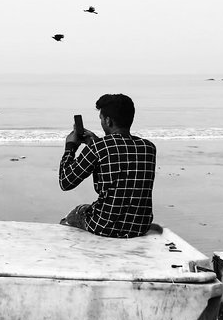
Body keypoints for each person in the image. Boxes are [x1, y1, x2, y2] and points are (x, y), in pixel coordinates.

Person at [58, 93, 156, 238]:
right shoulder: (149, 148)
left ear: (108, 121)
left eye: (101, 119)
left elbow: (65, 182)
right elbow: (120, 158)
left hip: (104, 225)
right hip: (140, 225)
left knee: (77, 212)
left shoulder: (99, 148)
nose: (102, 122)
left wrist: (70, 148)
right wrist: (96, 142)